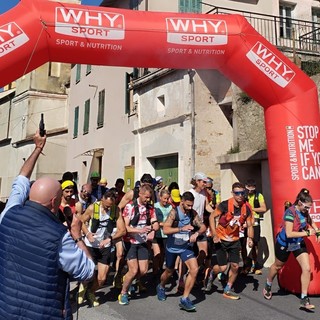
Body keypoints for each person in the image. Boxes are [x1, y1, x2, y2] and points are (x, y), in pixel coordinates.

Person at [0, 130, 95, 320]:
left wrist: (37, 148)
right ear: (54, 202)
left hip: (6, 310)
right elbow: (88, 271)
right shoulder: (60, 237)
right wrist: (77, 235)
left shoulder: (8, 214)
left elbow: (20, 181)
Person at [263, 188, 319, 310]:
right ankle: (268, 284)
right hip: (285, 243)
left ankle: (304, 299)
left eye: (309, 208)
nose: (308, 210)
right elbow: (289, 234)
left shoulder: (304, 211)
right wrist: (307, 233)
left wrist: (317, 230)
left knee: (307, 268)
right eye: (307, 207)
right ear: (300, 203)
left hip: (298, 243)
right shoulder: (290, 213)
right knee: (277, 266)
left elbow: (309, 219)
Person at [156, 191, 206, 311]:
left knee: (194, 269)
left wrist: (196, 233)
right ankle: (161, 286)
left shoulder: (192, 213)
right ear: (182, 202)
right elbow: (166, 230)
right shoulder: (174, 212)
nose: (190, 207)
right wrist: (181, 228)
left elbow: (203, 226)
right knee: (169, 271)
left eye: (191, 205)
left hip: (185, 247)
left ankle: (184, 298)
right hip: (172, 247)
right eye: (188, 205)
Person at [79, 191, 126, 307]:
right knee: (87, 274)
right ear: (102, 200)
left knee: (102, 279)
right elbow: (80, 221)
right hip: (90, 245)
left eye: (110, 206)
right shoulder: (92, 208)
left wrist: (110, 238)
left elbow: (122, 230)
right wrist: (88, 233)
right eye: (106, 206)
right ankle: (83, 287)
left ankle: (91, 292)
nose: (108, 208)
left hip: (105, 246)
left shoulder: (116, 210)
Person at [208, 182, 254, 300]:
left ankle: (227, 289)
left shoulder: (247, 207)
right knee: (222, 268)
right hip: (221, 238)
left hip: (235, 239)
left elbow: (250, 225)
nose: (240, 195)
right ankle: (211, 274)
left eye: (242, 193)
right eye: (237, 193)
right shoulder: (224, 205)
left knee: (235, 265)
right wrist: (214, 235)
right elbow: (212, 217)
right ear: (233, 193)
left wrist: (250, 238)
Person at [118, 184, 159, 305]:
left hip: (142, 242)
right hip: (130, 241)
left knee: (144, 271)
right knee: (134, 270)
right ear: (140, 194)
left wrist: (152, 229)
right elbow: (125, 228)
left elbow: (156, 224)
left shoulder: (150, 208)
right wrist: (139, 230)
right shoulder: (130, 207)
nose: (148, 200)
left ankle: (128, 279)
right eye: (146, 197)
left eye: (149, 198)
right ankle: (123, 293)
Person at [189, 172, 214, 284]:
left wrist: (217, 213)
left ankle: (194, 271)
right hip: (190, 226)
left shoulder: (204, 193)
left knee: (203, 252)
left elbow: (207, 206)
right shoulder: (190, 193)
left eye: (206, 182)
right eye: (203, 182)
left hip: (201, 226)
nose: (205, 184)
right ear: (197, 181)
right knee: (188, 253)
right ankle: (184, 276)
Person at [243, 179, 267, 275]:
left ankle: (255, 264)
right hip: (244, 221)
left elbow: (264, 208)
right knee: (243, 243)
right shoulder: (243, 195)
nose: (250, 190)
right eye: (248, 187)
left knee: (254, 244)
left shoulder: (259, 196)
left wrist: (251, 209)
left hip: (255, 221)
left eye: (252, 187)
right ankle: (246, 265)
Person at [152, 189, 172, 277]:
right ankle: (155, 271)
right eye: (164, 198)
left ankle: (160, 269)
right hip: (157, 233)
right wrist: (162, 224)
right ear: (160, 197)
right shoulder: (155, 206)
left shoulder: (170, 207)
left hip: (166, 234)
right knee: (157, 253)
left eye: (167, 199)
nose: (166, 201)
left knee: (163, 253)